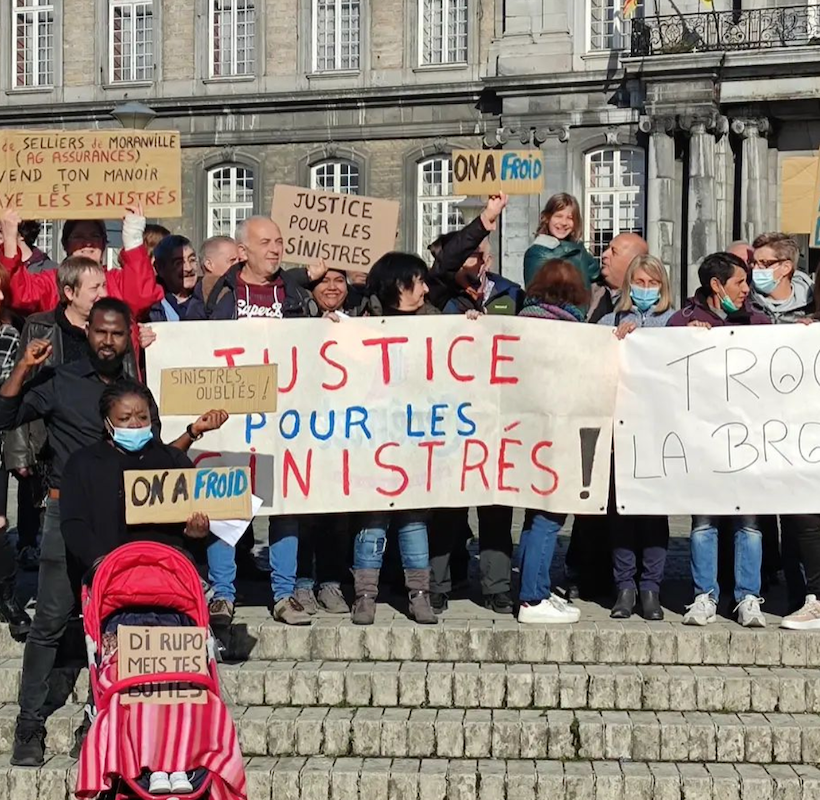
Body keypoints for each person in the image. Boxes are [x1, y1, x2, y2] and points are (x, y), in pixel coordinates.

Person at [0, 298, 226, 766]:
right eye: (100, 332)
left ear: (129, 336)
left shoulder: (137, 390)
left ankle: (100, 719)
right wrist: (23, 367)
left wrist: (194, 435)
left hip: (131, 522)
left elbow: (157, 456)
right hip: (68, 518)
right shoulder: (59, 380)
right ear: (88, 333)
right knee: (50, 622)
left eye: (117, 333)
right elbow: (5, 419)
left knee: (120, 621)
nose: (107, 340)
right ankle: (29, 726)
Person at [187, 216, 315, 627]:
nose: (275, 249)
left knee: (286, 506)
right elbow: (188, 341)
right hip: (229, 418)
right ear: (242, 252)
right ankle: (223, 594)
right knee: (225, 502)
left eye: (279, 241)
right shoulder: (214, 294)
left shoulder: (295, 295)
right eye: (265, 242)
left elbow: (313, 351)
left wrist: (328, 330)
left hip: (284, 418)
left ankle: (284, 593)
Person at [667, 253, 770, 628]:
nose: (746, 290)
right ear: (716, 286)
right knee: (704, 521)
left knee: (749, 522)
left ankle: (747, 597)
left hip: (748, 442)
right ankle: (704, 596)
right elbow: (657, 364)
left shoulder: (759, 322)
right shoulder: (682, 322)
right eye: (739, 282)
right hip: (702, 443)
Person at [348, 252, 444, 626]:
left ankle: (420, 594)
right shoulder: (363, 322)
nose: (425, 287)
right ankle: (365, 595)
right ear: (398, 284)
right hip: (374, 438)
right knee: (373, 519)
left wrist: (470, 328)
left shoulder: (436, 321)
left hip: (417, 439)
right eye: (418, 280)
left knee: (413, 521)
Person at [3, 255, 112, 577]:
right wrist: (19, 453)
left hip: (98, 440)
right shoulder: (40, 326)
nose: (103, 292)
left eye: (104, 284)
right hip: (50, 443)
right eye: (95, 287)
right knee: (54, 537)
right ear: (70, 292)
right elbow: (20, 390)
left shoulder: (110, 325)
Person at [60, 380, 210, 572]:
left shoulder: (173, 460)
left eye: (142, 417)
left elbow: (192, 511)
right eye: (125, 418)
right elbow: (74, 523)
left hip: (167, 576)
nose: (135, 424)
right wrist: (99, 562)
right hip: (107, 577)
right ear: (107, 422)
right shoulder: (83, 463)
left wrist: (194, 534)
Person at [597, 254, 675, 620]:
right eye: (639, 283)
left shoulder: (674, 324)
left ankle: (651, 589)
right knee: (621, 513)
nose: (645, 290)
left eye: (652, 283)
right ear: (628, 285)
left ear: (663, 287)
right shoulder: (608, 321)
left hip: (661, 432)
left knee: (654, 515)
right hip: (620, 432)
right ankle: (624, 587)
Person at [514, 258, 587, 623]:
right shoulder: (573, 329)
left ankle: (535, 587)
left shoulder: (521, 322)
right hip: (555, 430)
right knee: (550, 513)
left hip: (524, 432)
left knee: (534, 513)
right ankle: (532, 598)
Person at [0, 208, 162, 359]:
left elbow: (142, 296)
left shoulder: (117, 280)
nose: (88, 244)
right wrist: (9, 238)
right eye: (78, 237)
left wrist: (133, 235)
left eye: (95, 236)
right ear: (65, 244)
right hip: (62, 377)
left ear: (105, 243)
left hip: (116, 380)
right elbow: (18, 294)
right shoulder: (53, 281)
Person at [522, 194, 599, 288]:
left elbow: (597, 275)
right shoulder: (537, 253)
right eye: (558, 216)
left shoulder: (579, 250)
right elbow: (534, 295)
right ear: (547, 218)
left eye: (570, 218)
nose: (564, 223)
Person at [749, 232, 813, 324]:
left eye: (764, 263)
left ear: (786, 268)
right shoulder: (745, 304)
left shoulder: (812, 305)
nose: (755, 269)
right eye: (753, 263)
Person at [587, 233, 649, 323]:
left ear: (633, 261)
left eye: (614, 251)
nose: (604, 255)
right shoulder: (587, 291)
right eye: (607, 249)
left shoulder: (646, 300)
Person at [148, 235, 199, 322]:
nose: (189, 268)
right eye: (179, 263)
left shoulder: (209, 299)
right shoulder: (150, 307)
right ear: (160, 268)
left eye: (192, 260)